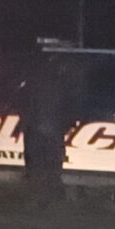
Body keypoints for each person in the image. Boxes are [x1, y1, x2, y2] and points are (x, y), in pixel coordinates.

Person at [22, 54, 82, 210]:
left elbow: (27, 106)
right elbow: (70, 106)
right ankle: (52, 194)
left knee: (38, 164)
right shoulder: (62, 84)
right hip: (53, 130)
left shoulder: (34, 83)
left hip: (37, 130)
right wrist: (68, 125)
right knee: (52, 163)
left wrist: (24, 126)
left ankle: (42, 197)